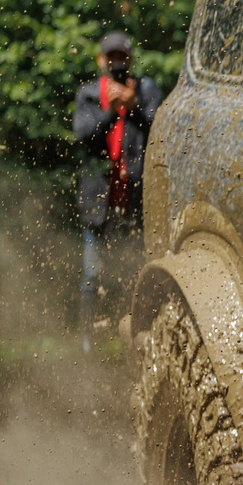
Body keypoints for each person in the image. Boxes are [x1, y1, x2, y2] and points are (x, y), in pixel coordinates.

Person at [76, 30, 163, 337]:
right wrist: (110, 113)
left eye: (121, 57)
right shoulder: (88, 94)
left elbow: (162, 128)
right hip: (97, 202)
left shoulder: (146, 89)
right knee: (91, 277)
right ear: (101, 60)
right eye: (111, 57)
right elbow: (83, 135)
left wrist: (134, 105)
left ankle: (136, 340)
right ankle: (87, 345)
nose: (116, 63)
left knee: (136, 276)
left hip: (135, 202)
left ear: (130, 59)